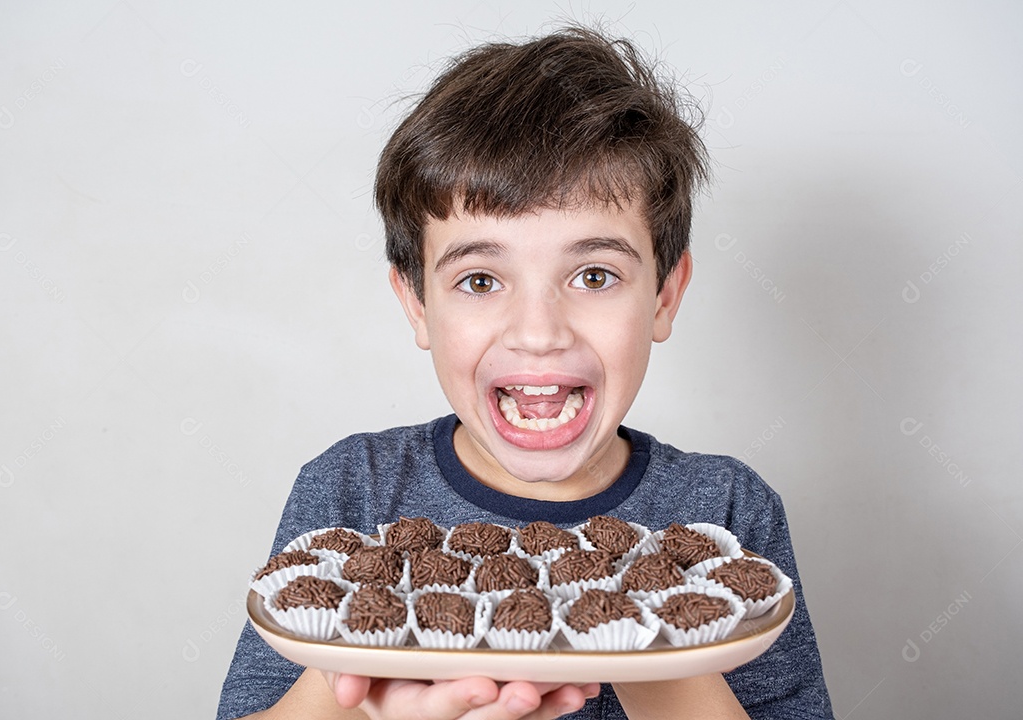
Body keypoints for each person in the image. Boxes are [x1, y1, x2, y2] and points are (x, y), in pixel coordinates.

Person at [217, 25, 833, 720]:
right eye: (480, 281)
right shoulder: (351, 494)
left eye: (594, 275)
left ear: (664, 294)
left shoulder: (727, 510)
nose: (539, 333)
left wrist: (660, 640)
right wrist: (352, 681)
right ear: (417, 303)